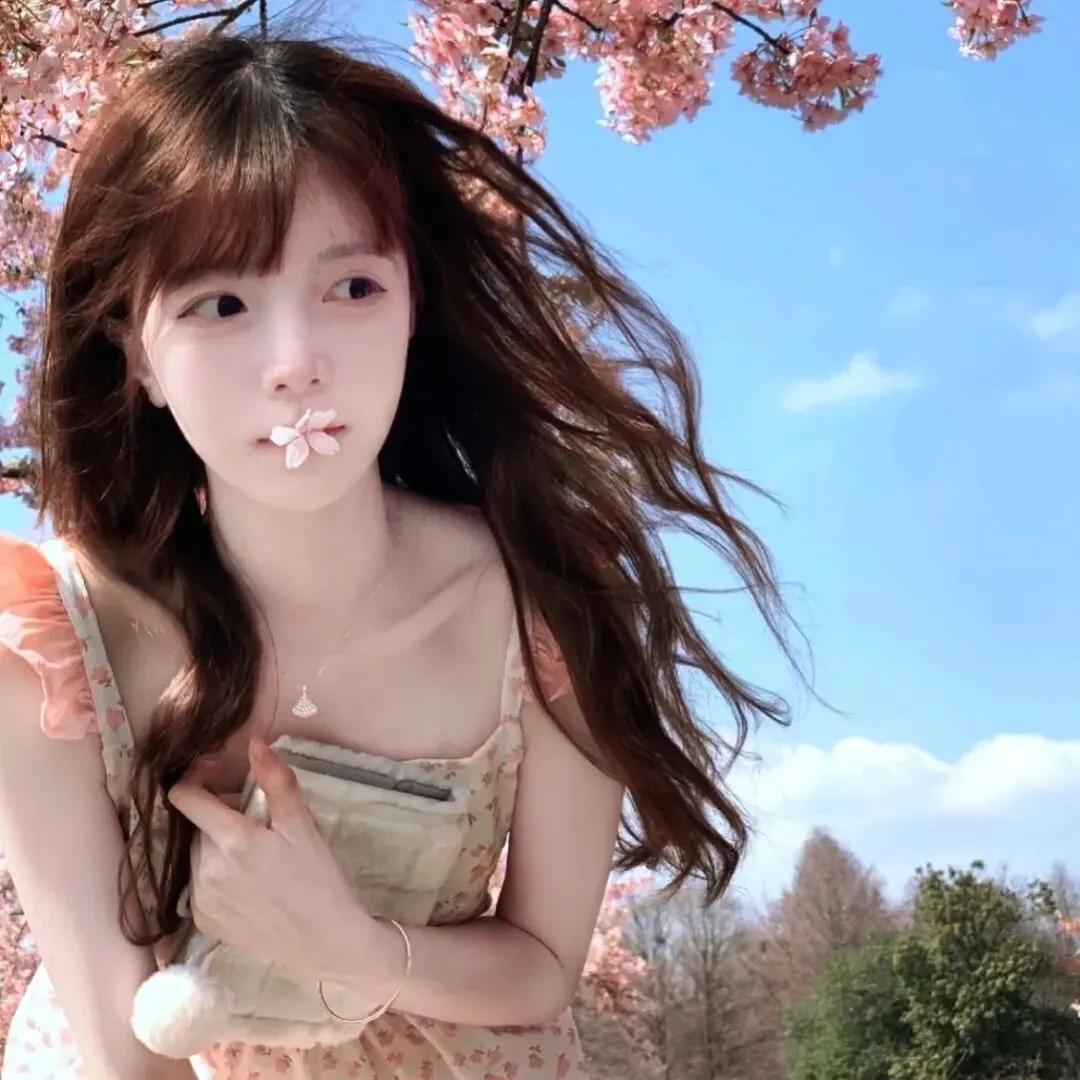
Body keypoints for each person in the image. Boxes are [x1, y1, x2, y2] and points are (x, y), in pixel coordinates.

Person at [0, 29, 795, 1080]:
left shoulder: (541, 606)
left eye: (353, 289)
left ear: (416, 300)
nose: (296, 365)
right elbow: (122, 1053)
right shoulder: (52, 645)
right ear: (135, 354)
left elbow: (541, 966)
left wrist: (354, 950)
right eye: (220, 304)